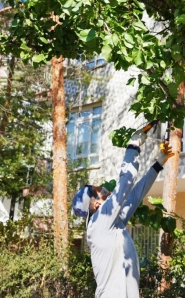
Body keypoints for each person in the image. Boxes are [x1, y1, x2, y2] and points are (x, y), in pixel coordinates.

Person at [72, 126, 175, 298]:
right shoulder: (101, 220)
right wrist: (133, 146)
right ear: (96, 205)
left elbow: (136, 194)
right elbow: (126, 181)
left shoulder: (110, 223)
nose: (106, 189)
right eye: (100, 190)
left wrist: (158, 163)